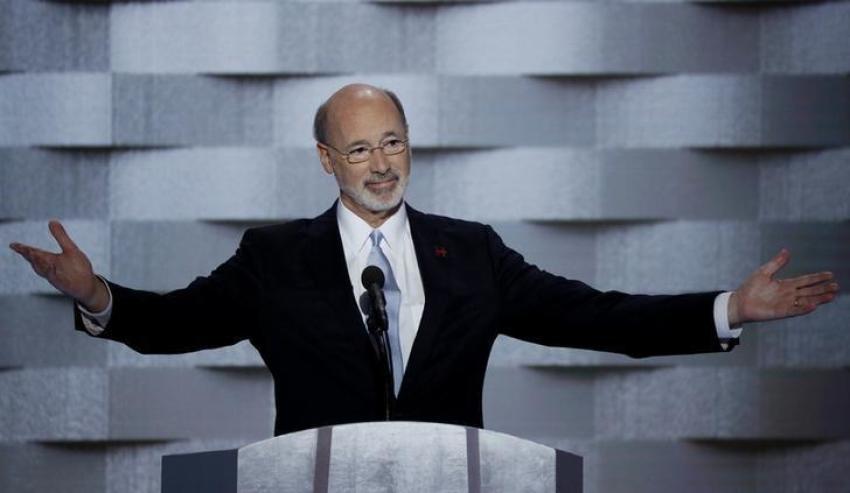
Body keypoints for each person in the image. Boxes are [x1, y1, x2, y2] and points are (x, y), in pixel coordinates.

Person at [9, 84, 840, 436]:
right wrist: (98, 293)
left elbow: (595, 315)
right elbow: (176, 325)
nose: (381, 163)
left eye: (395, 142)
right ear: (327, 161)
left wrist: (727, 307)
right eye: (360, 148)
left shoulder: (471, 253)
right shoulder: (274, 259)